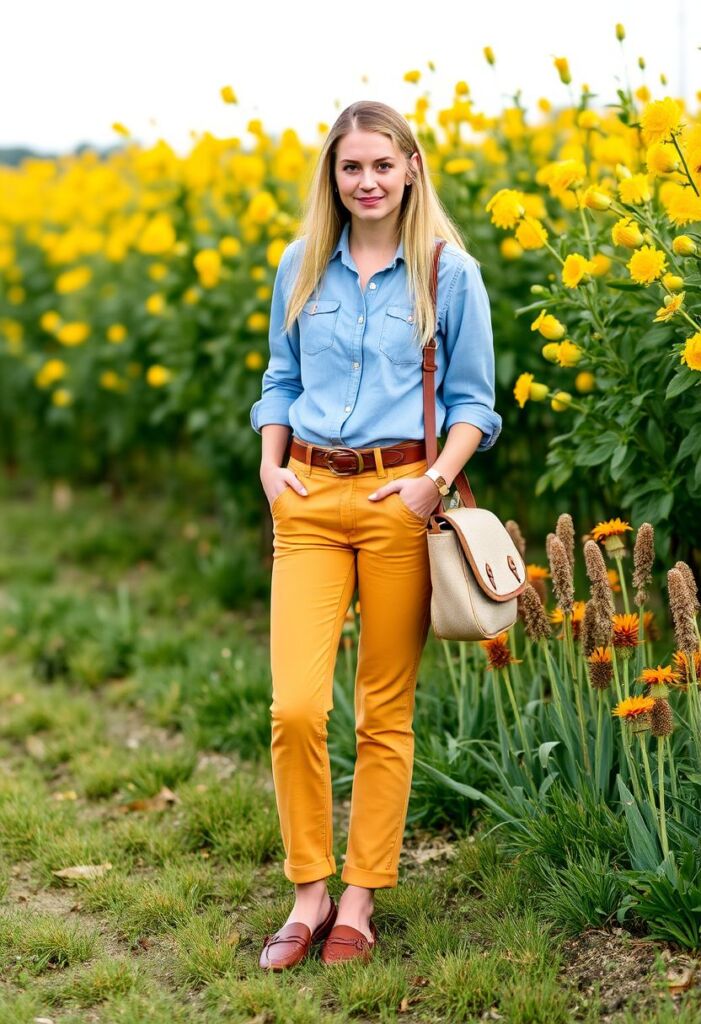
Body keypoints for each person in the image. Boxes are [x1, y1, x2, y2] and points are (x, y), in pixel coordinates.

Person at [249, 99, 501, 970]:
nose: (366, 182)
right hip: (309, 498)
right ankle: (308, 889)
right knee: (294, 707)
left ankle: (360, 896)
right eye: (350, 167)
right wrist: (269, 465)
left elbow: (474, 402)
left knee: (383, 714)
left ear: (409, 170)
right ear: (334, 175)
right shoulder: (300, 264)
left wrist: (429, 484)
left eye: (381, 166)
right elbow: (280, 375)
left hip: (401, 505)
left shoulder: (447, 273)